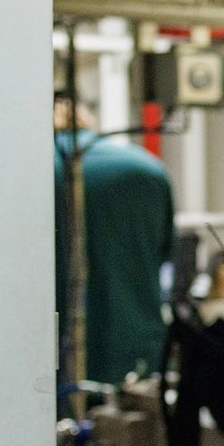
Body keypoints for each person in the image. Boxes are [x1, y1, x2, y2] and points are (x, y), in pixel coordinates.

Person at [52, 97, 175, 386]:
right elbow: (167, 254)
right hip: (136, 353)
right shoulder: (147, 169)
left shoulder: (29, 172)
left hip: (54, 359)